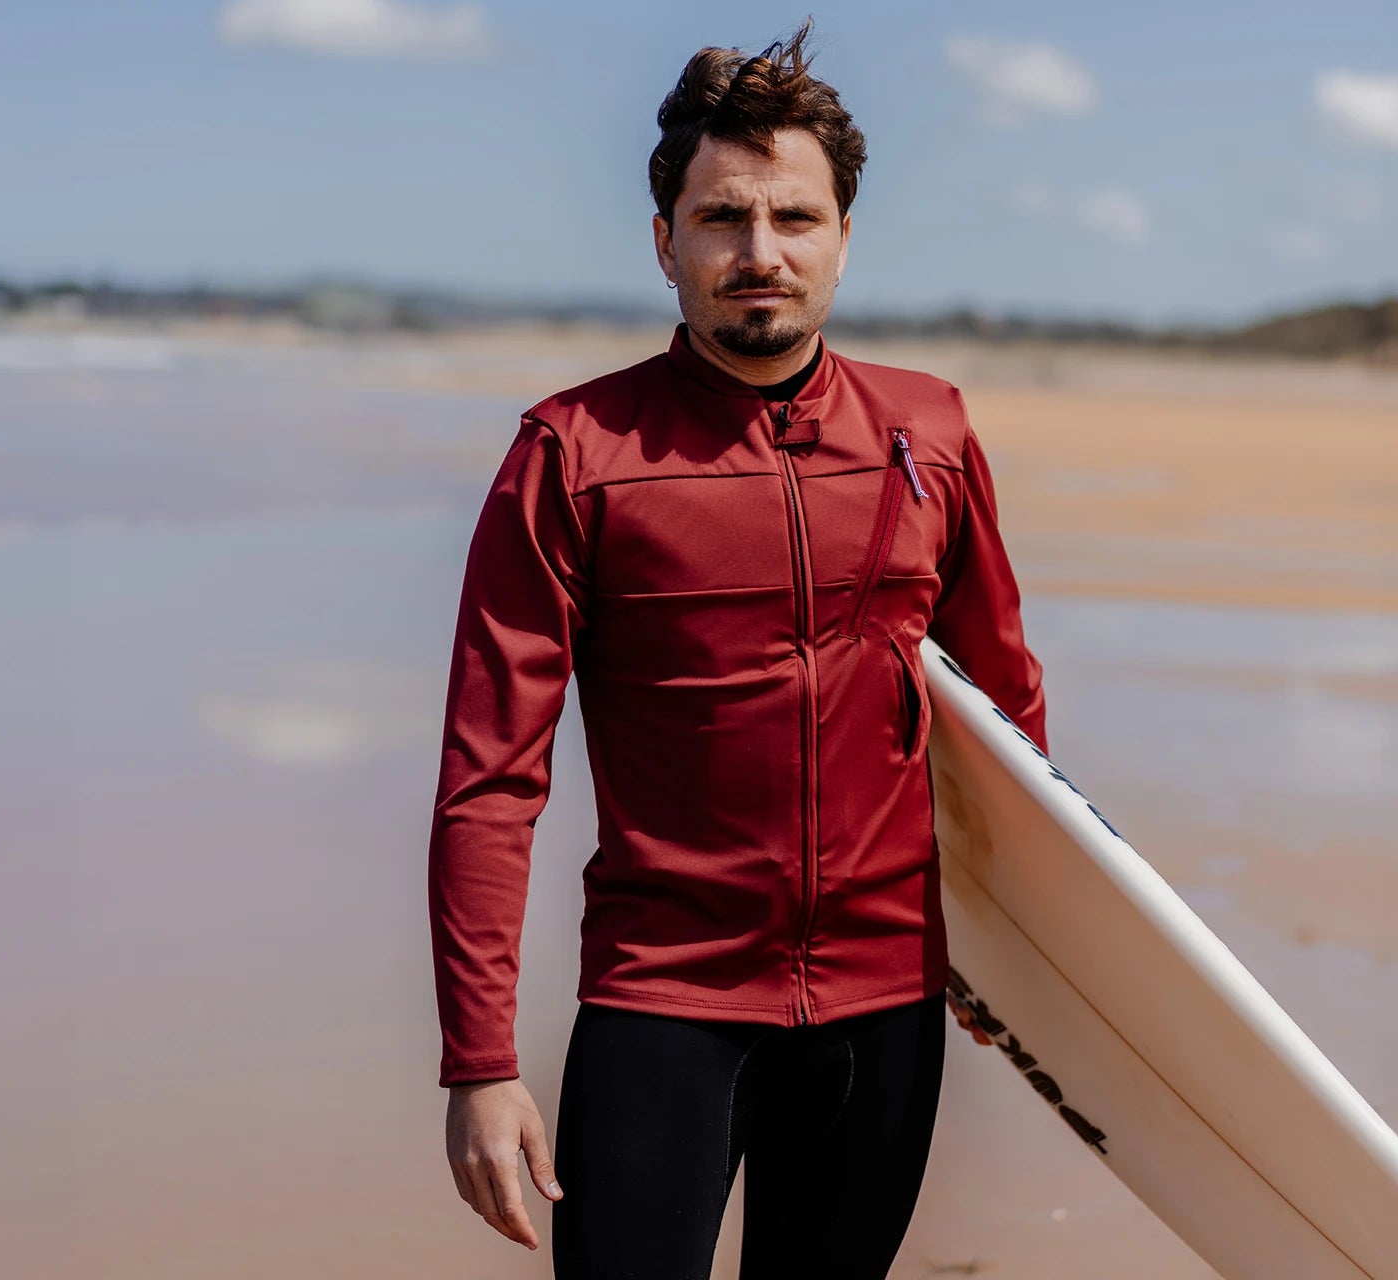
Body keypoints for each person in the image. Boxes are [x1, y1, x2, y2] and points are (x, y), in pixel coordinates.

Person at [429, 19, 1046, 1277]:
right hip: (664, 1001)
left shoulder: (927, 432)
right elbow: (491, 777)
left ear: (843, 238)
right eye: (721, 219)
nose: (758, 254)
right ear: (666, 243)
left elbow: (1005, 717)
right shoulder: (575, 454)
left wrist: (1025, 964)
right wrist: (480, 1061)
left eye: (794, 219)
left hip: (886, 1005)